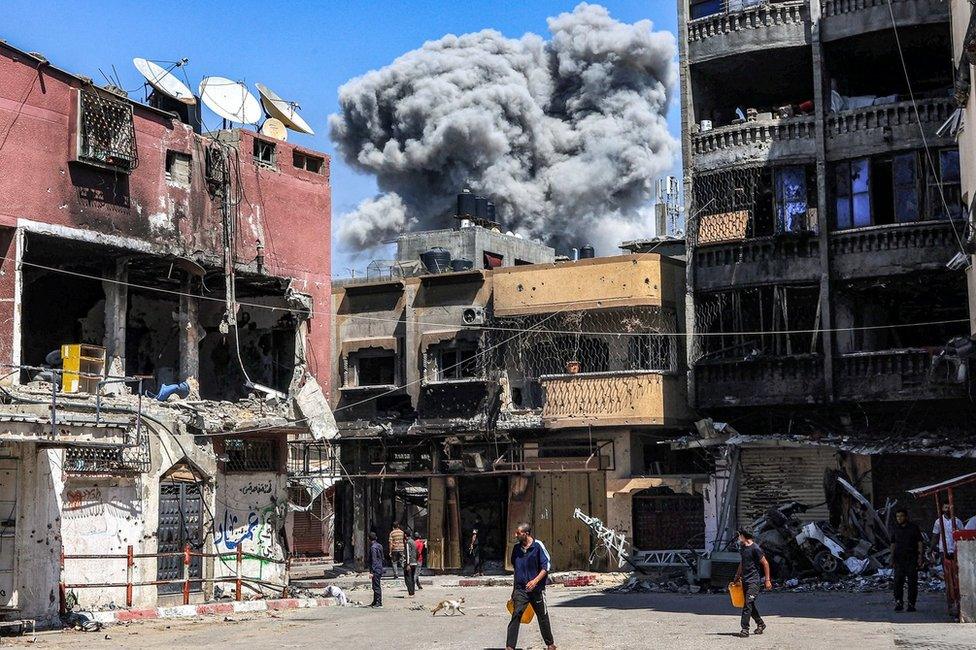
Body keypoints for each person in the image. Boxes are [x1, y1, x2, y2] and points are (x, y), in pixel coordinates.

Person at [506, 523, 555, 650]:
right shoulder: (516, 549)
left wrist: (535, 581)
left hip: (536, 590)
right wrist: (514, 591)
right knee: (516, 614)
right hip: (520, 590)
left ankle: (550, 644)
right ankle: (510, 647)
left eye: (518, 533)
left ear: (526, 534)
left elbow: (546, 567)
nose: (515, 535)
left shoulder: (538, 546)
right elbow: (516, 569)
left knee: (542, 616)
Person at [734, 528, 772, 638]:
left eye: (739, 535)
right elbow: (743, 562)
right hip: (745, 580)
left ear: (743, 536)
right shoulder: (742, 547)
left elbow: (765, 563)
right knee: (749, 604)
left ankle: (744, 629)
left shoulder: (755, 548)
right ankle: (760, 624)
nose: (738, 537)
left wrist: (767, 580)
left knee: (747, 604)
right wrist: (737, 575)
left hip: (754, 582)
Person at [889, 507, 924, 612]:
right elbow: (893, 544)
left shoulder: (913, 528)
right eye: (897, 516)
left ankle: (911, 604)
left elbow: (920, 542)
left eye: (901, 516)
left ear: (906, 517)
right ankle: (899, 602)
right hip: (899, 559)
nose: (899, 518)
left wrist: (920, 557)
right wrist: (891, 557)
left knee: (912, 582)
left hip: (911, 558)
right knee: (898, 582)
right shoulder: (895, 528)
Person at [369, 532, 384, 608]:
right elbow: (382, 557)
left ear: (369, 539)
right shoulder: (379, 546)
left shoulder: (373, 548)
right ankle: (375, 601)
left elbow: (374, 560)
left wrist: (372, 571)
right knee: (375, 586)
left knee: (376, 586)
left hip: (376, 569)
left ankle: (379, 602)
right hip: (379, 567)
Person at [404, 528, 419, 597]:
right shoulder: (413, 541)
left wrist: (407, 564)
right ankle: (412, 592)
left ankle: (410, 593)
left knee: (408, 578)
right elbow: (417, 552)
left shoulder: (408, 542)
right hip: (414, 562)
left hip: (409, 563)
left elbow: (407, 553)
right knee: (412, 578)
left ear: (405, 535)